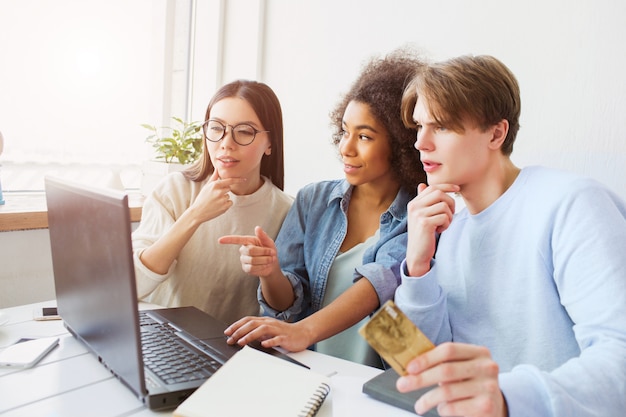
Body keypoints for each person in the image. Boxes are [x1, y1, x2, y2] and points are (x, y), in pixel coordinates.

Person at [395, 55, 626, 417]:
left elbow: (620, 355)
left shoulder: (572, 203)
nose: (420, 143)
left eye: (440, 127)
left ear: (496, 133)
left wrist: (507, 399)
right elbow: (419, 370)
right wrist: (418, 267)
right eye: (419, 127)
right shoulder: (451, 230)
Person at [219, 49, 427, 368]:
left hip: (378, 379)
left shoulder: (418, 215)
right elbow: (286, 305)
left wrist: (301, 331)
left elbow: (378, 284)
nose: (346, 147)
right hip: (310, 369)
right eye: (345, 131)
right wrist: (271, 272)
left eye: (365, 136)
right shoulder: (313, 201)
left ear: (400, 144)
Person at [132, 80, 294, 324]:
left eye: (244, 132)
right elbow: (133, 283)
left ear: (270, 143)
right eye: (216, 128)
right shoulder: (174, 190)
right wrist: (195, 214)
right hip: (163, 337)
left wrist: (270, 272)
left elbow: (286, 310)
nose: (226, 143)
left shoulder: (285, 210)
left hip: (230, 349)